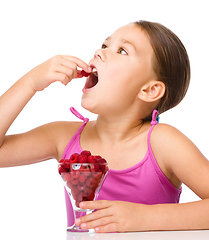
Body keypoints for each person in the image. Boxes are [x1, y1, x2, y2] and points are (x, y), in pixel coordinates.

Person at [0, 20, 209, 233]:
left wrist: (144, 218)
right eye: (104, 45)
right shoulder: (62, 136)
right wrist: (30, 83)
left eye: (122, 50)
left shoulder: (164, 143)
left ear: (149, 90)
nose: (99, 52)